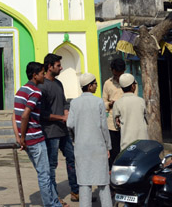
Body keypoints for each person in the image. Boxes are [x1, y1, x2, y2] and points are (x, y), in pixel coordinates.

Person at [13, 62, 63, 207]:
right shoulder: (35, 91)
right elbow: (24, 116)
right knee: (44, 175)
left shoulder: (21, 90)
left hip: (28, 139)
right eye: (42, 73)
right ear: (35, 76)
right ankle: (51, 204)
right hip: (35, 138)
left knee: (44, 173)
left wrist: (19, 137)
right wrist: (22, 138)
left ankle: (55, 202)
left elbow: (14, 116)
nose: (43, 75)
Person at [67, 73, 112, 207]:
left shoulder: (74, 103)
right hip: (98, 147)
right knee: (103, 183)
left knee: (84, 183)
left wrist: (76, 135)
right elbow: (104, 127)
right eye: (95, 84)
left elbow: (69, 124)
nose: (96, 86)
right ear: (90, 86)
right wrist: (108, 146)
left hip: (81, 148)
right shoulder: (98, 101)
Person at [39, 53, 79, 202]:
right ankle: (54, 197)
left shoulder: (59, 83)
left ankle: (76, 191)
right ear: (49, 67)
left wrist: (66, 112)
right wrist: (61, 117)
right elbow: (42, 113)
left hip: (63, 130)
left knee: (72, 159)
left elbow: (63, 103)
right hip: (50, 132)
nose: (61, 68)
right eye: (58, 65)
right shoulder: (42, 85)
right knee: (51, 166)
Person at [102, 58, 134, 167]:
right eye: (116, 75)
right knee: (114, 152)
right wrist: (110, 104)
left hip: (128, 123)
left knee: (128, 151)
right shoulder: (107, 83)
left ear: (125, 70)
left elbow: (134, 100)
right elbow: (103, 102)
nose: (118, 78)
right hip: (112, 125)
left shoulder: (132, 82)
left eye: (120, 75)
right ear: (112, 70)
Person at [112, 73, 148, 151]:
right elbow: (146, 118)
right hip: (143, 143)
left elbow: (116, 125)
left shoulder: (118, 103)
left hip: (126, 144)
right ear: (133, 86)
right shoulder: (141, 101)